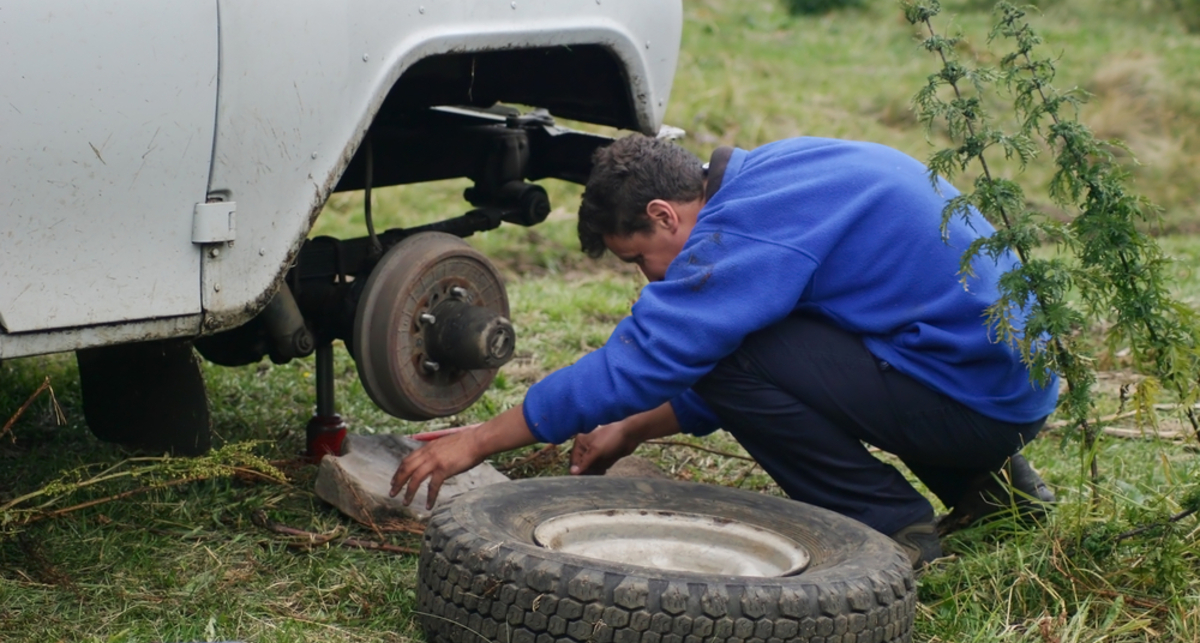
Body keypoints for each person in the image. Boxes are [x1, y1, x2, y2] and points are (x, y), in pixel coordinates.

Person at [389, 134, 1059, 568]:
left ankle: (891, 527)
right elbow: (794, 359)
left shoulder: (747, 231)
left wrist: (477, 440)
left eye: (639, 258)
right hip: (1001, 384)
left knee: (729, 351)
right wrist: (628, 428)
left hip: (977, 405)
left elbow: (646, 361)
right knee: (751, 341)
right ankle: (996, 488)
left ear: (663, 214)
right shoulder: (772, 176)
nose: (650, 277)